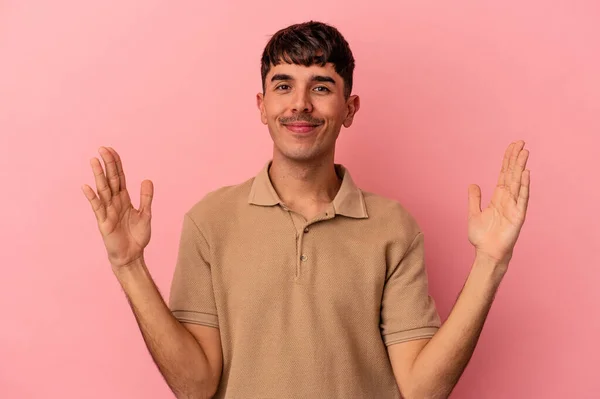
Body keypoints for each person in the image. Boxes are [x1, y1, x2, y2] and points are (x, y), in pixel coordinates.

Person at [82, 21, 530, 399]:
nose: (300, 103)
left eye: (321, 86)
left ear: (349, 109)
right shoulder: (210, 220)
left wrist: (491, 262)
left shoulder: (395, 227)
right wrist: (129, 265)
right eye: (283, 86)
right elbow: (196, 386)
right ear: (262, 106)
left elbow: (421, 388)